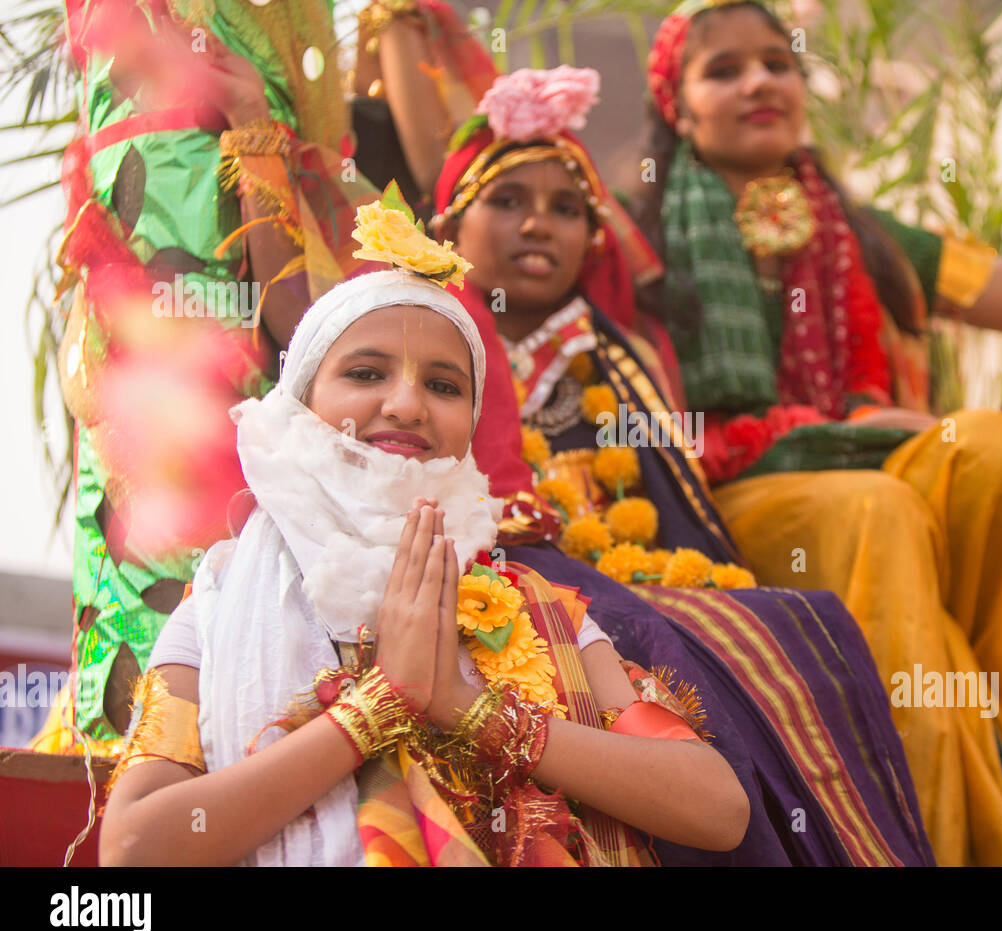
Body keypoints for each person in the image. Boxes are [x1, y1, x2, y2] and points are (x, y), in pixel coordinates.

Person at [98, 223, 751, 866]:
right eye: (365, 373)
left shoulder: (525, 604)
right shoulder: (221, 598)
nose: (407, 405)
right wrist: (382, 704)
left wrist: (467, 707)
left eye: (442, 385)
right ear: (301, 400)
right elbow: (136, 846)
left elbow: (717, 810)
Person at [430, 65, 935, 867]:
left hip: (641, 569)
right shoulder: (426, 340)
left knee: (797, 625)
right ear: (450, 223)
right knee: (667, 637)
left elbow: (685, 480)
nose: (539, 226)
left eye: (568, 210)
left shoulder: (623, 354)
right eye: (508, 201)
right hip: (506, 581)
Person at [636, 0, 1002, 866]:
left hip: (871, 466)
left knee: (988, 446)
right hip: (716, 499)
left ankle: (1001, 760)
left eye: (776, 63)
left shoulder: (864, 233)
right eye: (724, 70)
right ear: (678, 108)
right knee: (882, 510)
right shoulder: (634, 233)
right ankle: (920, 837)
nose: (760, 80)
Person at [37, 0, 375, 752]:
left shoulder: (272, 36)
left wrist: (252, 123)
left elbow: (294, 316)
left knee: (221, 681)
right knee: (121, 704)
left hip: (234, 423)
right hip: (128, 408)